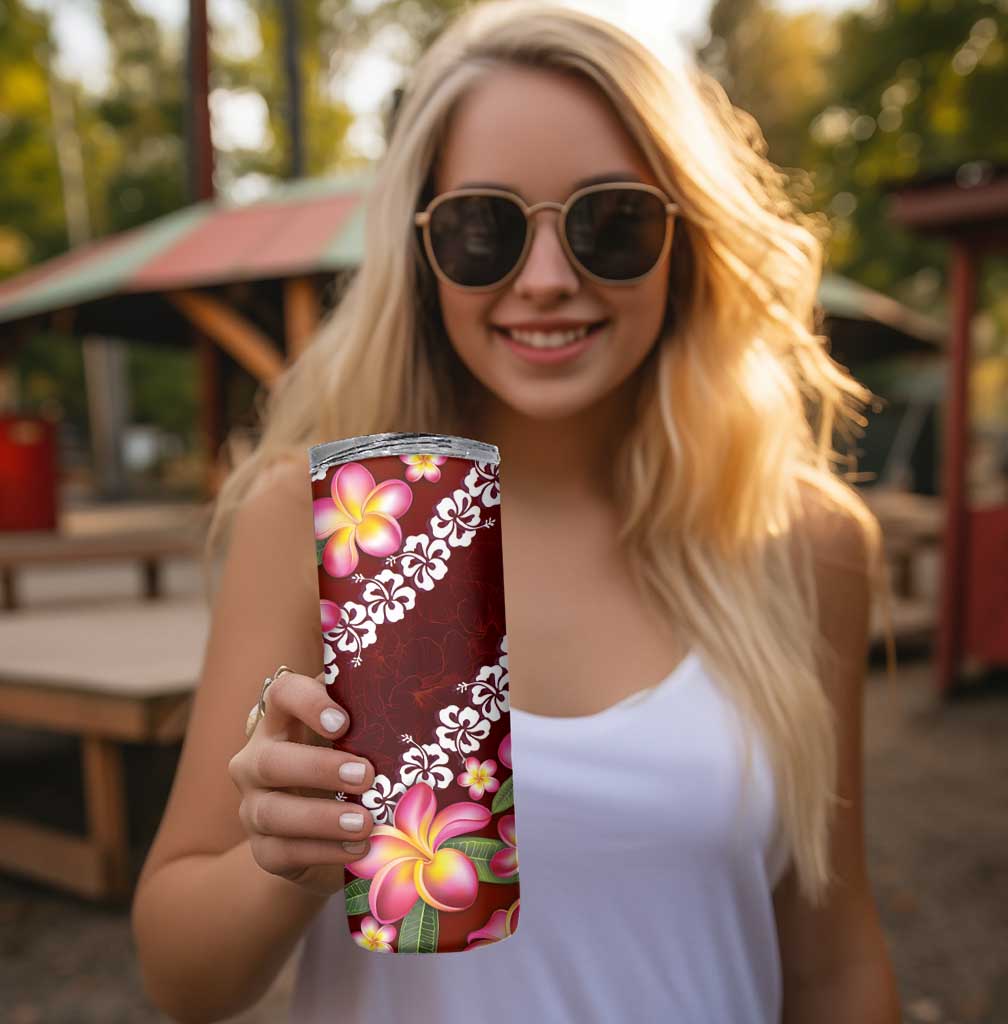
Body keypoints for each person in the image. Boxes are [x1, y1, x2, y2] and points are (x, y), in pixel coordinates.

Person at [131, 2, 903, 1021]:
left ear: (687, 241)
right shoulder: (330, 522)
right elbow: (180, 977)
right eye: (483, 227)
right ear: (420, 250)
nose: (546, 280)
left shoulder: (802, 541)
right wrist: (280, 856)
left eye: (611, 222)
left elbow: (833, 960)